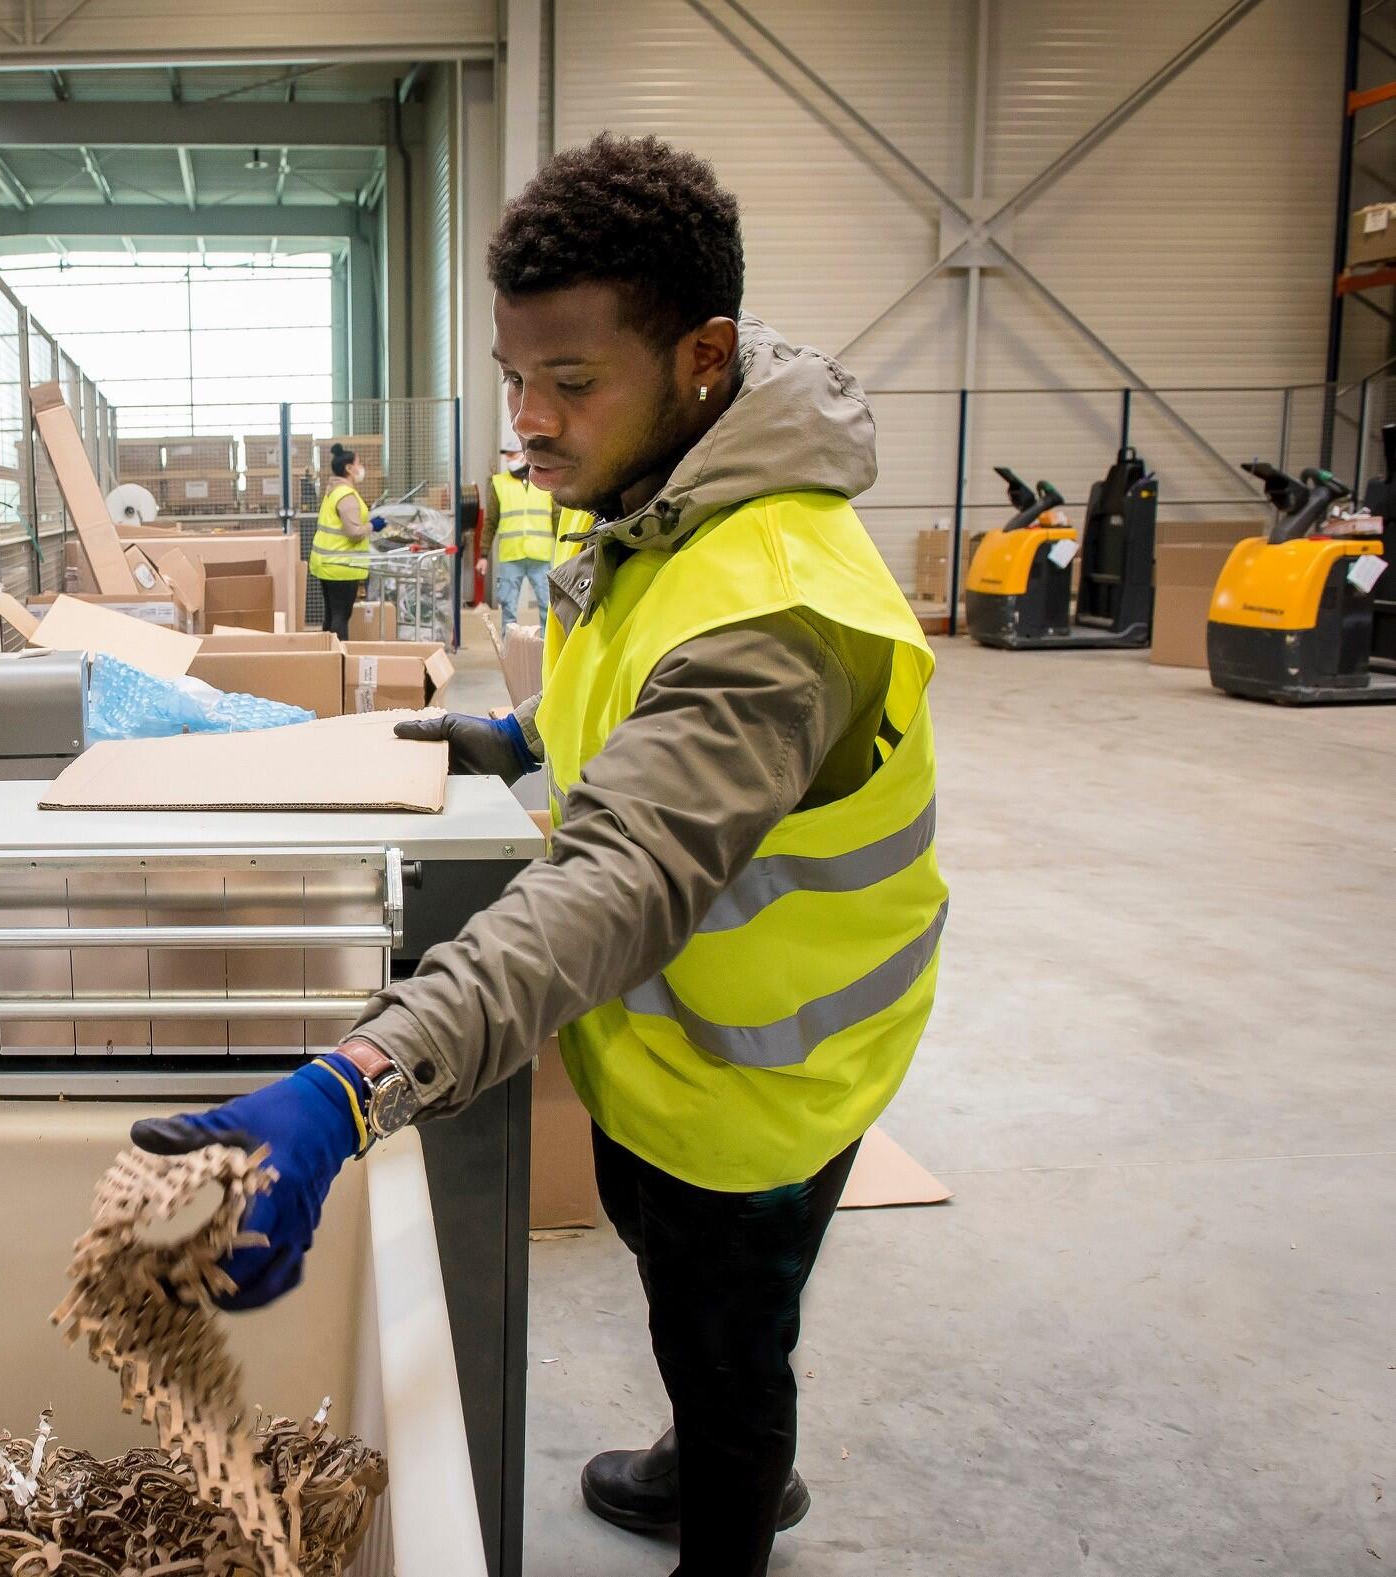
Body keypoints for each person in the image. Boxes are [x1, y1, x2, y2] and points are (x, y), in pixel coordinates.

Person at [130, 134, 945, 1577]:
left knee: (729, 1335)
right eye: (513, 379)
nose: (529, 423)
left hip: (762, 1080)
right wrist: (505, 740)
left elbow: (613, 884)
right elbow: (625, 700)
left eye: (571, 383)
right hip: (678, 1046)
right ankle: (710, 1450)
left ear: (700, 356)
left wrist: (353, 1080)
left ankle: (728, 1513)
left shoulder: (775, 613)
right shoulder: (674, 504)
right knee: (688, 1289)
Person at [489, 443, 557, 624]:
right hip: (511, 556)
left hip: (540, 555)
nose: (509, 460)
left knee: (548, 607)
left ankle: (544, 651)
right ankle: (510, 650)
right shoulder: (499, 483)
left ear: (525, 455)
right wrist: (481, 555)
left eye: (512, 455)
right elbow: (490, 521)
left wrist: (564, 549)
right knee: (508, 608)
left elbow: (557, 516)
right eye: (507, 456)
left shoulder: (545, 481)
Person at [309, 443, 370, 637]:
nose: (361, 468)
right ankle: (340, 661)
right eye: (358, 463)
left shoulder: (333, 491)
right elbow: (354, 532)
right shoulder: (346, 496)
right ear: (349, 468)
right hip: (342, 566)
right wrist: (374, 525)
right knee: (341, 617)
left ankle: (327, 658)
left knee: (331, 615)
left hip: (327, 564)